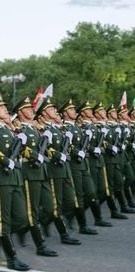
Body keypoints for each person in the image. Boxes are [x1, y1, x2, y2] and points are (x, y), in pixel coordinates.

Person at [0, 96, 30, 271]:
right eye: (1, 108)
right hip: (2, 178)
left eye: (5, 108)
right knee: (5, 220)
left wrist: (24, 145)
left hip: (15, 177)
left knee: (22, 219)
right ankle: (12, 259)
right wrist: (4, 161)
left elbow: (18, 151)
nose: (5, 110)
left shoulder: (11, 130)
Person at [12, 96, 58, 256]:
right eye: (27, 109)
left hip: (42, 171)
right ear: (20, 112)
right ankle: (40, 246)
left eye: (32, 109)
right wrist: (34, 155)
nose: (32, 111)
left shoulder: (35, 128)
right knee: (32, 212)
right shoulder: (19, 129)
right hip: (29, 171)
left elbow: (43, 148)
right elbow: (19, 148)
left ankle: (22, 229)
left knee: (50, 207)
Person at [35, 98, 82, 245]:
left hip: (65, 168)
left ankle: (44, 220)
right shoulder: (44, 130)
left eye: (55, 109)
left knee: (70, 201)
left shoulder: (57, 128)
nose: (55, 111)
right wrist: (57, 154)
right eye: (51, 109)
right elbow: (43, 149)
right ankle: (64, 234)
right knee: (57, 204)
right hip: (54, 169)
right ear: (44, 113)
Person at [59, 99, 98, 234]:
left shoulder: (77, 127)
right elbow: (66, 147)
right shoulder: (65, 128)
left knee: (91, 192)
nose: (75, 111)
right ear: (64, 113)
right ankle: (83, 225)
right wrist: (77, 152)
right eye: (71, 109)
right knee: (79, 195)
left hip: (83, 165)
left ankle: (71, 214)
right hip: (74, 165)